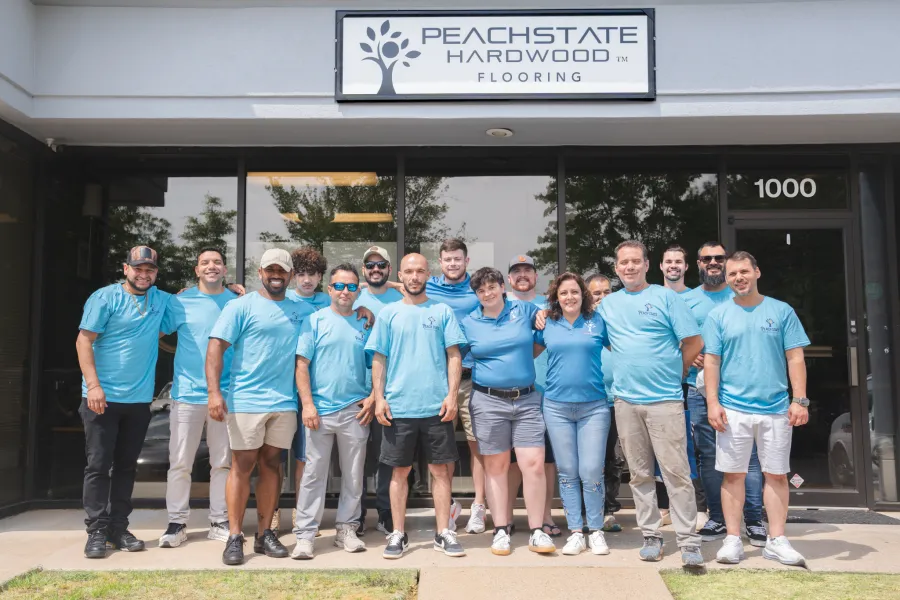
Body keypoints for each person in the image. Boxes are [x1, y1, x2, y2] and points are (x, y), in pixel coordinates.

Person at [597, 240, 705, 567]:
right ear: (616, 269)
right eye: (623, 263)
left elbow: (694, 341)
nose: (629, 267)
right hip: (626, 401)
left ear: (646, 265)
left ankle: (688, 541)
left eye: (635, 261)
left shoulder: (666, 297)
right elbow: (602, 341)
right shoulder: (608, 305)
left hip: (665, 401)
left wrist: (677, 372)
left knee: (676, 473)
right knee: (640, 474)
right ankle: (651, 536)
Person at [704, 251, 811, 567]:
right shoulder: (719, 315)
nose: (738, 278)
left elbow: (795, 357)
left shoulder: (781, 311)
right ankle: (733, 540)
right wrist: (713, 403)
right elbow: (712, 361)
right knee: (733, 475)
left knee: (777, 475)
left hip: (776, 407)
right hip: (732, 409)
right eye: (732, 274)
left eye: (743, 272)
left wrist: (800, 399)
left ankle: (776, 540)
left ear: (757, 272)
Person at [207, 248, 312, 566]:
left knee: (272, 466)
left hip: (283, 402)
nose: (276, 275)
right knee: (242, 466)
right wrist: (214, 392)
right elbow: (216, 348)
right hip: (246, 401)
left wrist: (366, 309)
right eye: (270, 270)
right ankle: (235, 536)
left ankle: (265, 533)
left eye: (282, 270)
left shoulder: (302, 310)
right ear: (260, 272)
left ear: (291, 274)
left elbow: (339, 306)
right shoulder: (240, 306)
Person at [367, 253, 467, 559]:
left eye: (420, 271)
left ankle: (443, 532)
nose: (414, 276)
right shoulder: (389, 313)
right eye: (409, 271)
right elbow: (379, 357)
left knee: (440, 472)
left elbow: (454, 355)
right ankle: (398, 533)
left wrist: (452, 395)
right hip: (398, 408)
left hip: (436, 408)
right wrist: (379, 397)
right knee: (399, 473)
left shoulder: (442, 311)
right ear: (401, 274)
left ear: (428, 274)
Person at [76, 246, 171, 559]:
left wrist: (233, 289)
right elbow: (83, 340)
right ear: (126, 268)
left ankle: (118, 527)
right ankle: (96, 531)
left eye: (150, 270)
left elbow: (200, 298)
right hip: (101, 398)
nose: (144, 274)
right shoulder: (105, 298)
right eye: (138, 268)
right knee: (99, 465)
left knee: (126, 467)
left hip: (138, 400)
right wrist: (93, 386)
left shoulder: (160, 299)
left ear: (156, 273)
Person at [460, 267, 556, 556]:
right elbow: (460, 359)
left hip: (526, 399)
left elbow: (542, 334)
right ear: (476, 295)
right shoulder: (469, 322)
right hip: (488, 401)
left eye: (492, 287)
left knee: (534, 464)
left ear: (503, 286)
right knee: (496, 467)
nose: (487, 293)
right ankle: (501, 529)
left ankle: (537, 529)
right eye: (481, 290)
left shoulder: (524, 309)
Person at [683, 242, 766, 546]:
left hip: (742, 390)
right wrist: (688, 355)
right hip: (700, 389)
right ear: (699, 263)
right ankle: (717, 517)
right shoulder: (687, 300)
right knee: (709, 456)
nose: (714, 263)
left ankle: (754, 520)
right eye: (708, 258)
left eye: (720, 258)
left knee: (750, 458)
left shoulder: (742, 294)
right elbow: (673, 337)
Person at [291, 264, 373, 559]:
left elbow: (373, 364)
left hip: (355, 411)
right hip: (320, 412)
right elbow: (301, 365)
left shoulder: (365, 323)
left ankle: (346, 529)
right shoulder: (313, 321)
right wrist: (308, 404)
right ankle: (305, 535)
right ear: (329, 289)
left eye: (351, 287)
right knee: (314, 475)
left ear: (358, 290)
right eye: (339, 286)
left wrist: (374, 396)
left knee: (353, 475)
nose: (345, 292)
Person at [157, 248, 238, 548]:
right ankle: (176, 523)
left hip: (227, 393)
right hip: (187, 393)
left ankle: (219, 520)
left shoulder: (236, 302)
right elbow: (157, 332)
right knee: (180, 462)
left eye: (217, 262)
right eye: (205, 263)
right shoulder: (180, 301)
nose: (211, 266)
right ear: (196, 269)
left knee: (222, 463)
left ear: (224, 270)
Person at [534, 272, 611, 556]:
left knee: (591, 471)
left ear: (583, 295)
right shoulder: (547, 323)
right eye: (564, 293)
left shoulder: (598, 321)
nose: (570, 297)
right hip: (556, 407)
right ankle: (576, 532)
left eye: (575, 292)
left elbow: (624, 348)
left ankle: (596, 530)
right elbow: (525, 352)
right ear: (556, 297)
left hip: (594, 407)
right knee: (567, 472)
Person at [425, 239, 483, 534]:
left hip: (472, 377)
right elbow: (398, 290)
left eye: (457, 259)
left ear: (466, 260)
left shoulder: (478, 286)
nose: (452, 264)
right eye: (447, 259)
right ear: (440, 262)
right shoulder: (429, 286)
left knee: (477, 446)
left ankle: (479, 507)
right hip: (438, 378)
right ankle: (445, 508)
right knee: (440, 449)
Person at [506, 255, 561, 538]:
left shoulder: (551, 306)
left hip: (547, 392)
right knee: (512, 460)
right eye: (517, 272)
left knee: (545, 461)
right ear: (509, 278)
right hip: (511, 394)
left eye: (528, 270)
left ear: (536, 276)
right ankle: (509, 516)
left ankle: (545, 515)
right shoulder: (499, 305)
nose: (522, 275)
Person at [353, 246, 405, 536]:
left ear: (388, 268)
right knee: (357, 459)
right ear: (363, 270)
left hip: (390, 392)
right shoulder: (352, 296)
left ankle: (385, 510)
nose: (375, 270)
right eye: (370, 265)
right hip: (355, 393)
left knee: (388, 456)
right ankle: (357, 513)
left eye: (381, 265)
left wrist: (396, 284)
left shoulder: (402, 298)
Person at [657, 245, 702, 527]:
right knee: (658, 448)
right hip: (659, 385)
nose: (673, 265)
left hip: (689, 385)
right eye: (668, 261)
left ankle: (694, 507)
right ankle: (664, 508)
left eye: (678, 262)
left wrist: (687, 363)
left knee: (687, 447)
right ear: (660, 267)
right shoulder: (652, 297)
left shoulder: (698, 299)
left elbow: (700, 338)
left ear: (686, 267)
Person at [586, 273, 625, 534]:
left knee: (613, 459)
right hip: (590, 399)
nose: (601, 297)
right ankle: (587, 510)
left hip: (617, 399)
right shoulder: (583, 322)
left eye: (606, 292)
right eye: (596, 293)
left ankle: (608, 511)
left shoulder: (621, 321)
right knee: (590, 460)